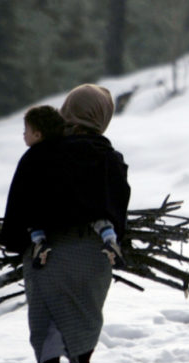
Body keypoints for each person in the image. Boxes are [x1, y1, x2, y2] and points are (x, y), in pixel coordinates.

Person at [1, 84, 131, 363]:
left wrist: (20, 242)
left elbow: (19, 207)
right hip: (90, 255)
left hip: (46, 254)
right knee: (85, 315)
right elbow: (116, 213)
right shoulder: (110, 159)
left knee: (46, 318)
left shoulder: (40, 154)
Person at [21, 105, 125, 270]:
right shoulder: (109, 155)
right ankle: (109, 239)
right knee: (101, 219)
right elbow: (118, 198)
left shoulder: (41, 154)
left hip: (51, 226)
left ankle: (39, 242)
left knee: (34, 220)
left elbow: (21, 197)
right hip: (94, 240)